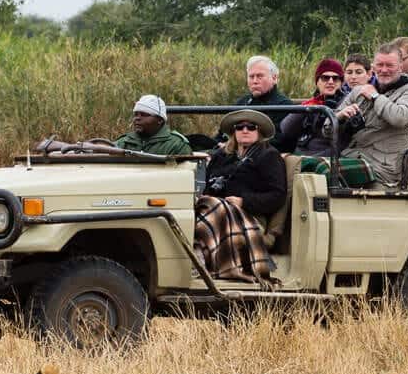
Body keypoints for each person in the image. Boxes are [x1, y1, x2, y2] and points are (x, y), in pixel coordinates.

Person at [297, 44, 408, 188]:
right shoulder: (359, 91)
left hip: (382, 168)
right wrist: (340, 116)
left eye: (390, 65)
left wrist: (375, 97)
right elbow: (327, 131)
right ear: (374, 67)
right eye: (380, 65)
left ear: (400, 67)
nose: (384, 70)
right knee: (298, 164)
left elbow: (399, 118)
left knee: (323, 169)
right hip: (351, 156)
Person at [195, 110, 286, 282]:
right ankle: (194, 262)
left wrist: (244, 201)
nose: (245, 130)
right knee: (200, 205)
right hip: (214, 210)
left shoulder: (268, 156)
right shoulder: (221, 156)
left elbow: (277, 196)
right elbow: (207, 187)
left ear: (259, 131)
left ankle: (206, 265)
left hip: (250, 216)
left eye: (251, 127)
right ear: (233, 132)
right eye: (239, 127)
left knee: (214, 207)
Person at [277, 58, 348, 157]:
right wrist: (307, 107)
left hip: (327, 157)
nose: (331, 81)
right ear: (317, 82)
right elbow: (286, 130)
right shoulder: (312, 103)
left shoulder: (346, 104)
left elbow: (342, 144)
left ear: (341, 83)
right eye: (325, 78)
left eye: (335, 78)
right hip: (301, 153)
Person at [113, 94, 191, 156]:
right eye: (136, 114)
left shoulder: (176, 145)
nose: (137, 118)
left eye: (144, 115)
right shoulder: (123, 142)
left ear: (160, 120)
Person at [234, 55, 295, 132]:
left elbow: (279, 137)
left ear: (274, 78)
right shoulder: (242, 103)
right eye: (251, 77)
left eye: (260, 76)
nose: (255, 81)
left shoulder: (284, 106)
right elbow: (224, 133)